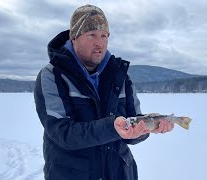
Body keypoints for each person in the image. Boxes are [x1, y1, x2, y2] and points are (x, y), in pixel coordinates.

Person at [34, 4, 174, 180]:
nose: (99, 42)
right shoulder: (52, 75)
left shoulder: (120, 75)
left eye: (104, 35)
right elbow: (62, 133)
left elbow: (132, 124)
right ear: (74, 37)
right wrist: (112, 127)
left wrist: (147, 127)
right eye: (91, 35)